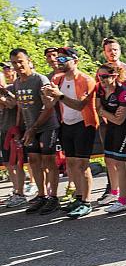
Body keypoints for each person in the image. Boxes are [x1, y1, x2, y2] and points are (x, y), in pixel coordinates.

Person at [43, 48, 98, 218]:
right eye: (58, 59)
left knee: (82, 164)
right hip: (66, 124)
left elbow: (80, 105)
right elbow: (51, 104)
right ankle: (79, 197)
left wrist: (59, 96)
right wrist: (47, 95)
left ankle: (87, 201)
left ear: (75, 61)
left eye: (64, 59)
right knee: (71, 164)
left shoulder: (86, 80)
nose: (60, 62)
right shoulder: (57, 79)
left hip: (84, 124)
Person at [10, 48, 60, 214]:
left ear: (28, 60)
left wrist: (34, 128)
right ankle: (42, 195)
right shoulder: (17, 83)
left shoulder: (40, 79)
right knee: (33, 161)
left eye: (20, 61)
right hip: (30, 128)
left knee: (48, 161)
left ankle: (53, 197)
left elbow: (49, 106)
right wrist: (18, 128)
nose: (18, 65)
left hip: (46, 126)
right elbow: (20, 108)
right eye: (14, 63)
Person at [95, 64, 126, 213]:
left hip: (124, 127)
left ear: (114, 76)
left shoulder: (122, 92)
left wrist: (105, 113)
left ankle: (123, 200)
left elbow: (119, 119)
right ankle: (114, 192)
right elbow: (97, 108)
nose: (102, 79)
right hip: (111, 127)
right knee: (109, 160)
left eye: (105, 76)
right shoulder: (100, 88)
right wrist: (106, 114)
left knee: (120, 162)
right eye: (100, 76)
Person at [0, 62, 26, 207]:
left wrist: (3, 94)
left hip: (13, 130)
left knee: (16, 163)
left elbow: (13, 104)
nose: (7, 70)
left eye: (8, 68)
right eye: (4, 68)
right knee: (8, 163)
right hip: (3, 130)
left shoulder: (14, 87)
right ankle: (16, 190)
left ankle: (20, 193)